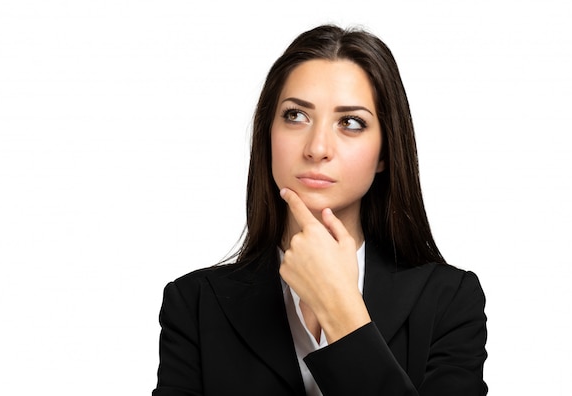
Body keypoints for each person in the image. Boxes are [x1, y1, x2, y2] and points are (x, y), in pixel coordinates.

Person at [152, 24, 487, 395]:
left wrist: (340, 311)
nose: (317, 148)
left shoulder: (450, 300)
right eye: (296, 116)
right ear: (268, 135)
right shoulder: (194, 304)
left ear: (385, 153)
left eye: (351, 123)